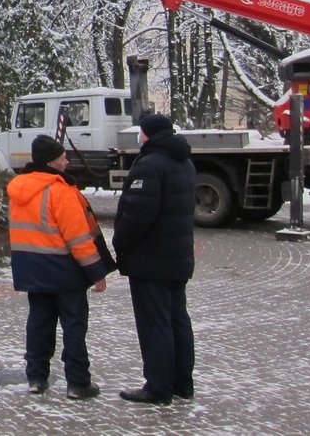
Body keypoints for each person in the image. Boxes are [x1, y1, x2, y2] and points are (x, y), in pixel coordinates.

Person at [8, 135, 115, 400]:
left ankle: (36, 377)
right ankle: (78, 383)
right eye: (63, 156)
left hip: (32, 268)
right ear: (52, 161)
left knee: (39, 325)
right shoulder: (60, 190)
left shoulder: (18, 188)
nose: (67, 160)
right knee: (74, 327)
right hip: (64, 270)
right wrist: (96, 272)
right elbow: (78, 238)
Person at [113, 113, 196, 405]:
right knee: (177, 321)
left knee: (155, 324)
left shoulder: (149, 165)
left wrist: (119, 242)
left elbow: (138, 215)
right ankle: (182, 383)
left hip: (151, 261)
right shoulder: (183, 161)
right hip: (177, 258)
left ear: (147, 135)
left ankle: (158, 387)